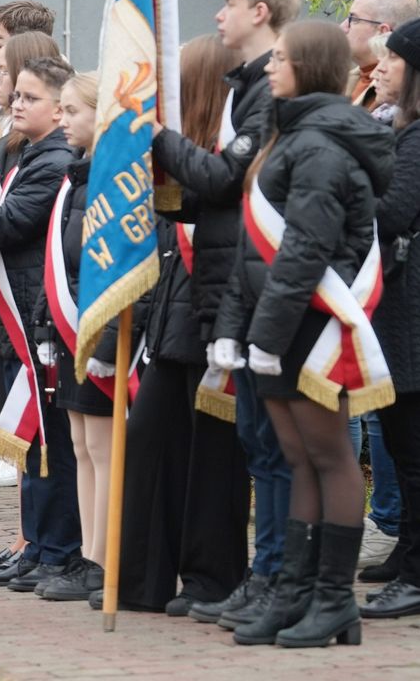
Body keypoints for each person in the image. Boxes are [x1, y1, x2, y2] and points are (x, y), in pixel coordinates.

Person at [213, 19, 394, 647]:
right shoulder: (289, 133)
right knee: (297, 458)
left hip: (314, 326)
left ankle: (332, 598)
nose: (268, 67)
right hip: (280, 324)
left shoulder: (321, 145)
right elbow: (250, 250)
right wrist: (237, 330)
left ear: (309, 66)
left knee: (329, 457)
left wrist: (264, 332)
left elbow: (305, 252)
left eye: (280, 59)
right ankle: (295, 591)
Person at [151, 0, 301, 628]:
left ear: (260, 12)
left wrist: (160, 140)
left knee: (266, 449)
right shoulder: (242, 88)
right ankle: (251, 576)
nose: (219, 15)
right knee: (250, 442)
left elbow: (227, 179)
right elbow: (207, 193)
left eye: (229, 3)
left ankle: (271, 576)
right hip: (220, 284)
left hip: (248, 286)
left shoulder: (266, 94)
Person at [109, 35, 251, 615]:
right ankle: (141, 577)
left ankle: (210, 577)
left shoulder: (221, 157)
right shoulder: (191, 155)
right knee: (149, 443)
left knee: (212, 456)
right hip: (176, 317)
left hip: (211, 315)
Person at [0, 44, 80, 595]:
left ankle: (56, 549)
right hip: (14, 311)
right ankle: (35, 543)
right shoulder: (24, 154)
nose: (18, 104)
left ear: (60, 108)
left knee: (46, 440)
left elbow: (7, 225)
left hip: (36, 316)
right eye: (17, 94)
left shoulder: (53, 162)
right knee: (27, 441)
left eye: (32, 97)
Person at [32, 69, 121, 602]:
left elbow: (113, 271)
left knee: (105, 449)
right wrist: (48, 325)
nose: (62, 120)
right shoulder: (78, 178)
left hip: (100, 335)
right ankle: (89, 553)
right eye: (60, 109)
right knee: (82, 444)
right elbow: (58, 264)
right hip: (70, 330)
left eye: (72, 111)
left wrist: (108, 347)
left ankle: (106, 559)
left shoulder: (110, 179)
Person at [362, 17, 420, 620]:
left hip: (409, 312)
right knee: (403, 445)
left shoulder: (416, 136)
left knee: (411, 445)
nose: (381, 67)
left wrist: (347, 191)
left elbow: (397, 210)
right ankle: (408, 553)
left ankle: (416, 571)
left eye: (393, 60)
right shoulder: (404, 132)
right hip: (401, 310)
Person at [342, 0, 420, 110]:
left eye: (354, 19)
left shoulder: (394, 94)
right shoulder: (343, 80)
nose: (343, 27)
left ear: (382, 31)